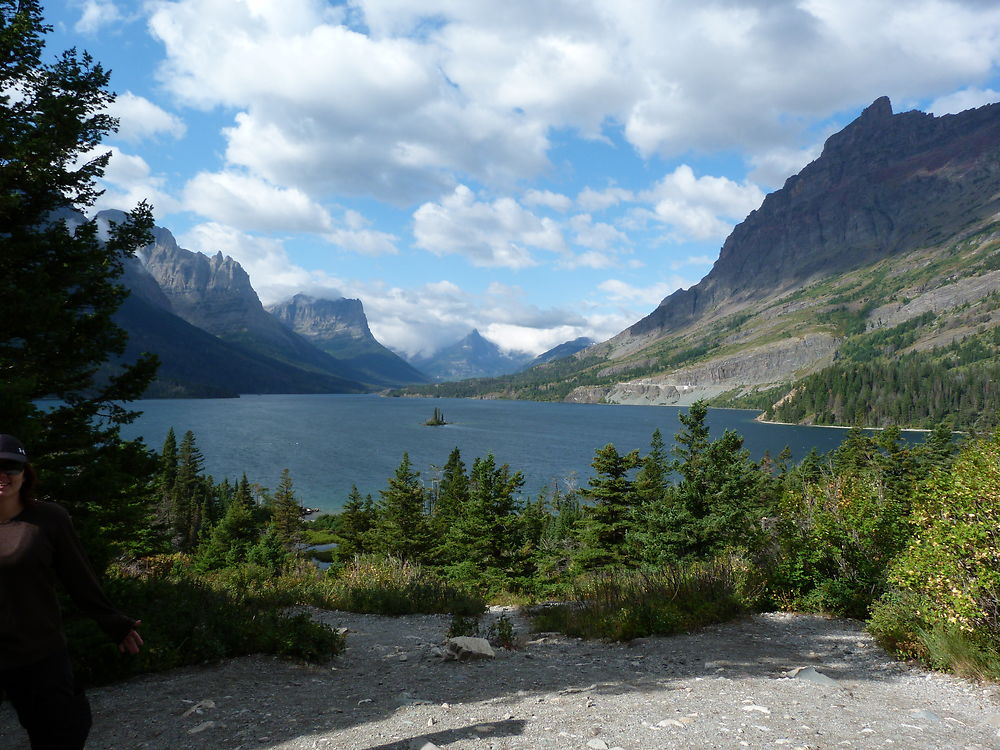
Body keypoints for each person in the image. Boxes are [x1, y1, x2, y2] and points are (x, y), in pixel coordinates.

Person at [0, 434, 142, 749]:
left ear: (25, 473)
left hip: (37, 651)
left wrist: (114, 623)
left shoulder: (48, 520)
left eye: (11, 467)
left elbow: (79, 577)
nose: (3, 475)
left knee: (63, 733)